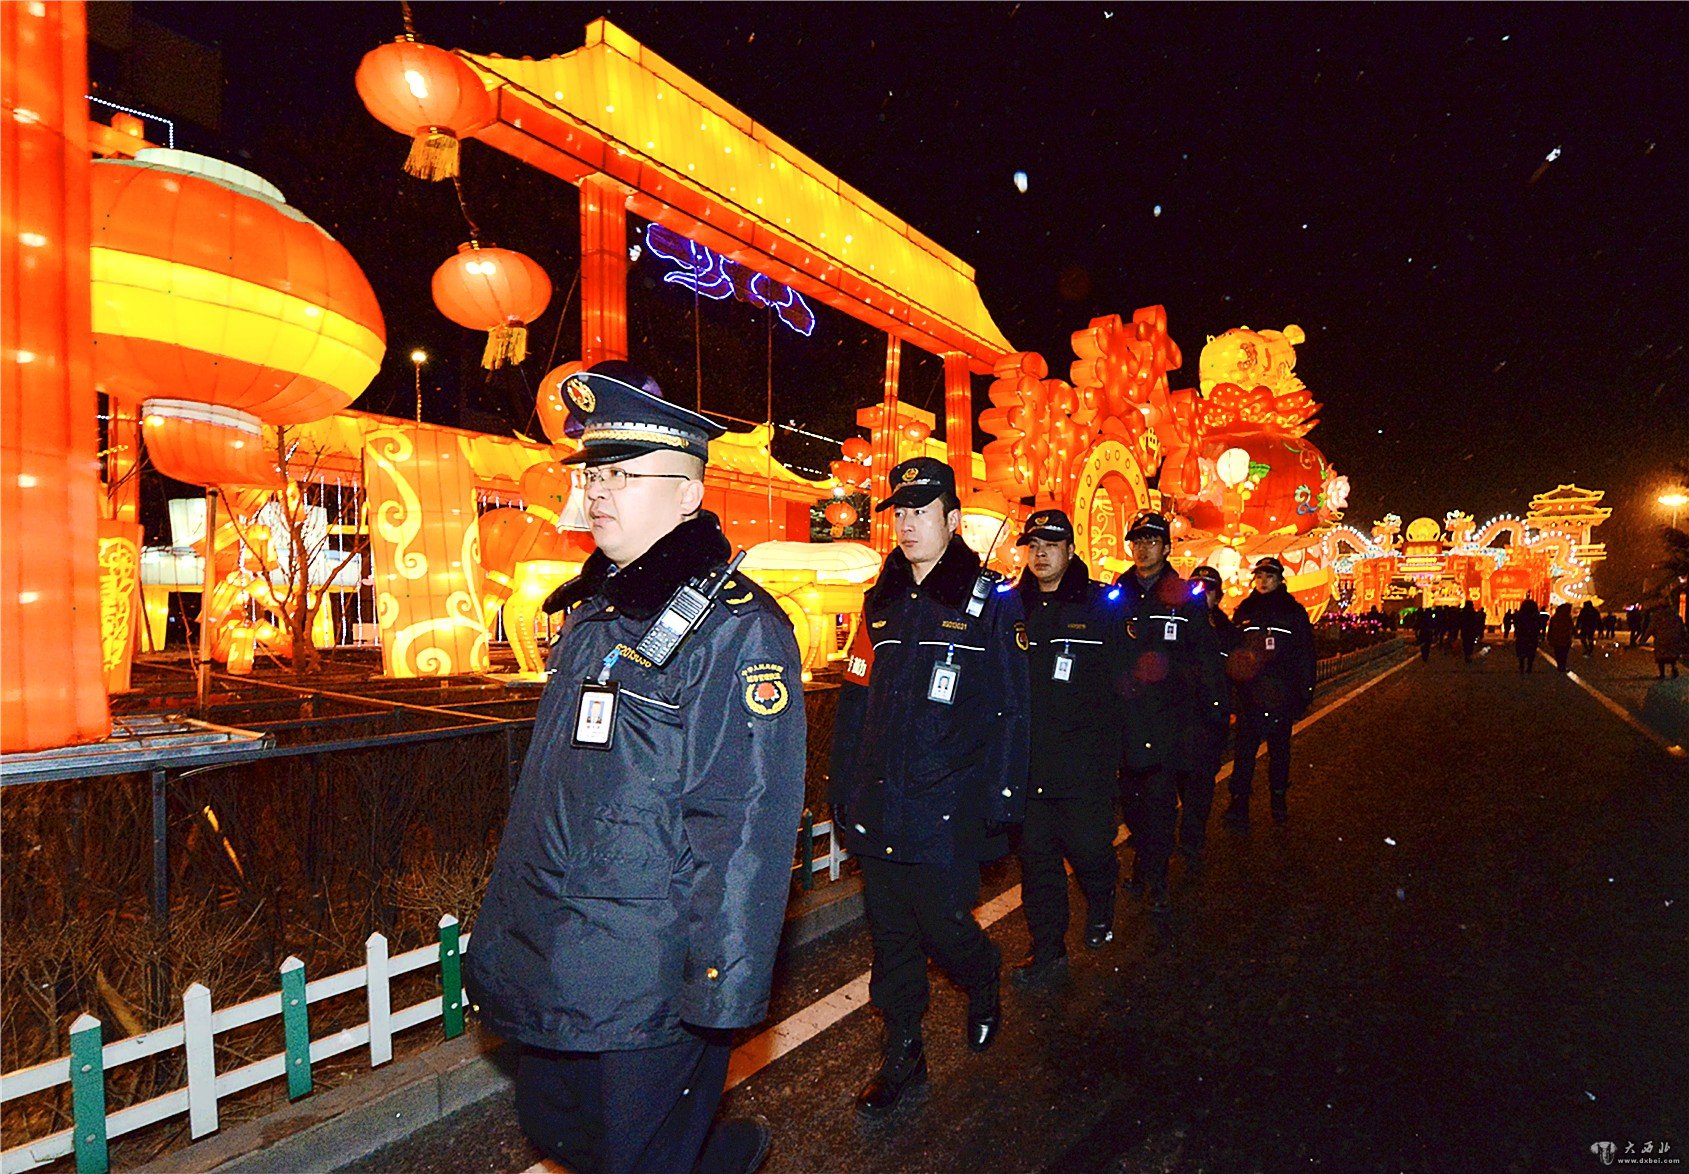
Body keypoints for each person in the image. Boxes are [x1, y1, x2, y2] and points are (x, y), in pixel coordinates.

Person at [464, 362, 806, 1174]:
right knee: (557, 1129)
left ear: (687, 495)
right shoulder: (593, 612)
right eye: (592, 473)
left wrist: (720, 983)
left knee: (634, 1155)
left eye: (622, 474)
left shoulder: (735, 630)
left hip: (652, 967)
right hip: (565, 946)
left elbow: (744, 820)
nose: (598, 491)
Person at [829, 456, 1029, 1118]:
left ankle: (982, 974)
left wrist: (1003, 796)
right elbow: (855, 699)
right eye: (901, 513)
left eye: (922, 511)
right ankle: (903, 1054)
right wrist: (842, 786)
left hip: (948, 801)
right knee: (890, 937)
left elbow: (1012, 707)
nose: (908, 524)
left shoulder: (991, 600)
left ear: (952, 518)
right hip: (881, 799)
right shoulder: (879, 602)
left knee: (943, 927)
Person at [1009, 509, 1124, 986]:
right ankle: (1048, 952)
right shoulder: (1011, 606)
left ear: (1071, 551)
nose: (1040, 554)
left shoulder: (1100, 606)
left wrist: (1118, 754)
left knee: (1090, 852)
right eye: (1033, 545)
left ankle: (1101, 900)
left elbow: (1125, 685)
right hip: (1029, 764)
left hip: (1083, 764)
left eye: (1051, 545)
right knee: (1037, 865)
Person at [1114, 511, 1225, 912]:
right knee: (1132, 805)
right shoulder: (1118, 594)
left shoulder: (1184, 597)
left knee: (1159, 805)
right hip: (1127, 721)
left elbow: (1206, 659)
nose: (1143, 549)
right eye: (1137, 541)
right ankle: (1144, 863)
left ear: (1165, 547)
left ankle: (1157, 879)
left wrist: (1212, 712)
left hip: (1169, 723)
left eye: (1151, 541)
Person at [1224, 556, 1317, 828]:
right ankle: (1238, 805)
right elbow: (1234, 652)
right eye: (1260, 577)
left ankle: (1278, 802)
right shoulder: (1245, 610)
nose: (1263, 582)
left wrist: (1304, 693)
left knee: (1279, 753)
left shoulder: (1293, 612)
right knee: (1244, 754)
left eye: (1269, 577)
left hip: (1281, 696)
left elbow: (1305, 654)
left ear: (1280, 580)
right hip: (1250, 696)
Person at [1186, 565, 1239, 861]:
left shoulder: (1226, 633)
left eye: (1207, 589)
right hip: (1179, 719)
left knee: (1201, 783)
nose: (1200, 594)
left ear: (1218, 596)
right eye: (1195, 587)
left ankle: (1192, 839)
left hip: (1209, 721)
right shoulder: (1177, 627)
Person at [1651, 602, 1685, 679]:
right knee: (1672, 656)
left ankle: (1662, 674)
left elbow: (1651, 628)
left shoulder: (1658, 617)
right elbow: (1682, 628)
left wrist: (1643, 639)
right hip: (1673, 639)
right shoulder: (1676, 617)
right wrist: (1683, 637)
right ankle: (1674, 668)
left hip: (1661, 640)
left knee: (1661, 658)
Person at [1514, 598, 1543, 674]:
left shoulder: (1520, 615)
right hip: (1532, 636)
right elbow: (1539, 625)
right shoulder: (1536, 616)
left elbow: (1516, 624)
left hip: (1522, 635)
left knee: (1521, 651)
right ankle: (1529, 667)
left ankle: (1521, 665)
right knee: (1531, 651)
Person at [1546, 602, 1574, 671]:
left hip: (1557, 637)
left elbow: (1551, 628)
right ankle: (1562, 665)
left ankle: (1560, 665)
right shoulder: (1567, 618)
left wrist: (1549, 637)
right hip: (1565, 638)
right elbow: (1571, 627)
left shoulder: (1555, 617)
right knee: (1564, 653)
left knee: (1558, 652)